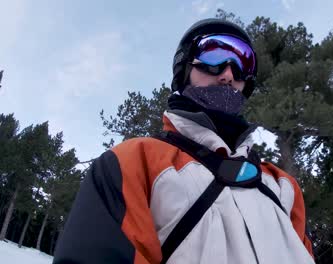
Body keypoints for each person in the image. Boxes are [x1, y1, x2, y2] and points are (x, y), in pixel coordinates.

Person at [53, 18, 315, 264]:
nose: (227, 74)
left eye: (241, 64)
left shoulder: (283, 186)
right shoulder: (135, 162)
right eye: (213, 55)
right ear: (185, 67)